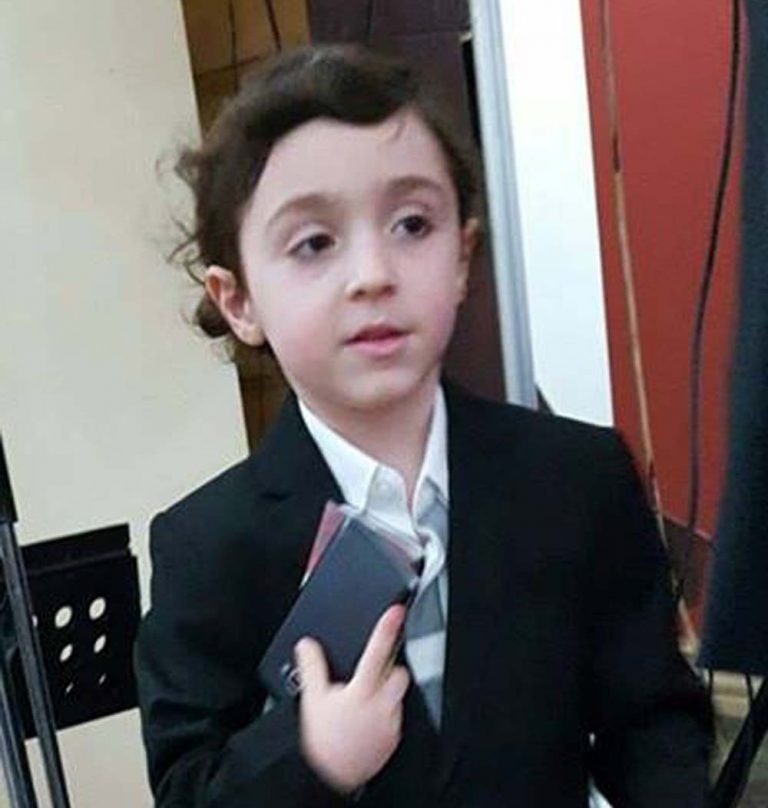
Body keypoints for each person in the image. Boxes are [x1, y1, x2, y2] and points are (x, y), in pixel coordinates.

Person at [134, 44, 712, 807]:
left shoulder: (577, 478)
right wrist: (312, 756)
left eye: (412, 224)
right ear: (238, 301)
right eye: (313, 243)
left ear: (463, 256)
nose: (374, 274)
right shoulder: (209, 545)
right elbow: (188, 789)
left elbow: (654, 723)